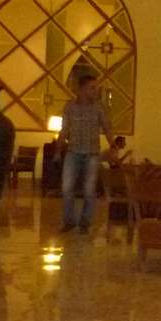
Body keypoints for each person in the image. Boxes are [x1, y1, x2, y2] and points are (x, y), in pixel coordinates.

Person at [59, 74, 115, 233]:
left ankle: (85, 223)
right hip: (73, 152)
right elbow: (64, 129)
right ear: (82, 89)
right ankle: (69, 221)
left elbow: (107, 127)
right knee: (67, 188)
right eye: (92, 88)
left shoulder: (99, 107)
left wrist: (113, 145)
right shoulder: (70, 106)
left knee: (89, 190)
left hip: (92, 153)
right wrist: (58, 148)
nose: (95, 91)